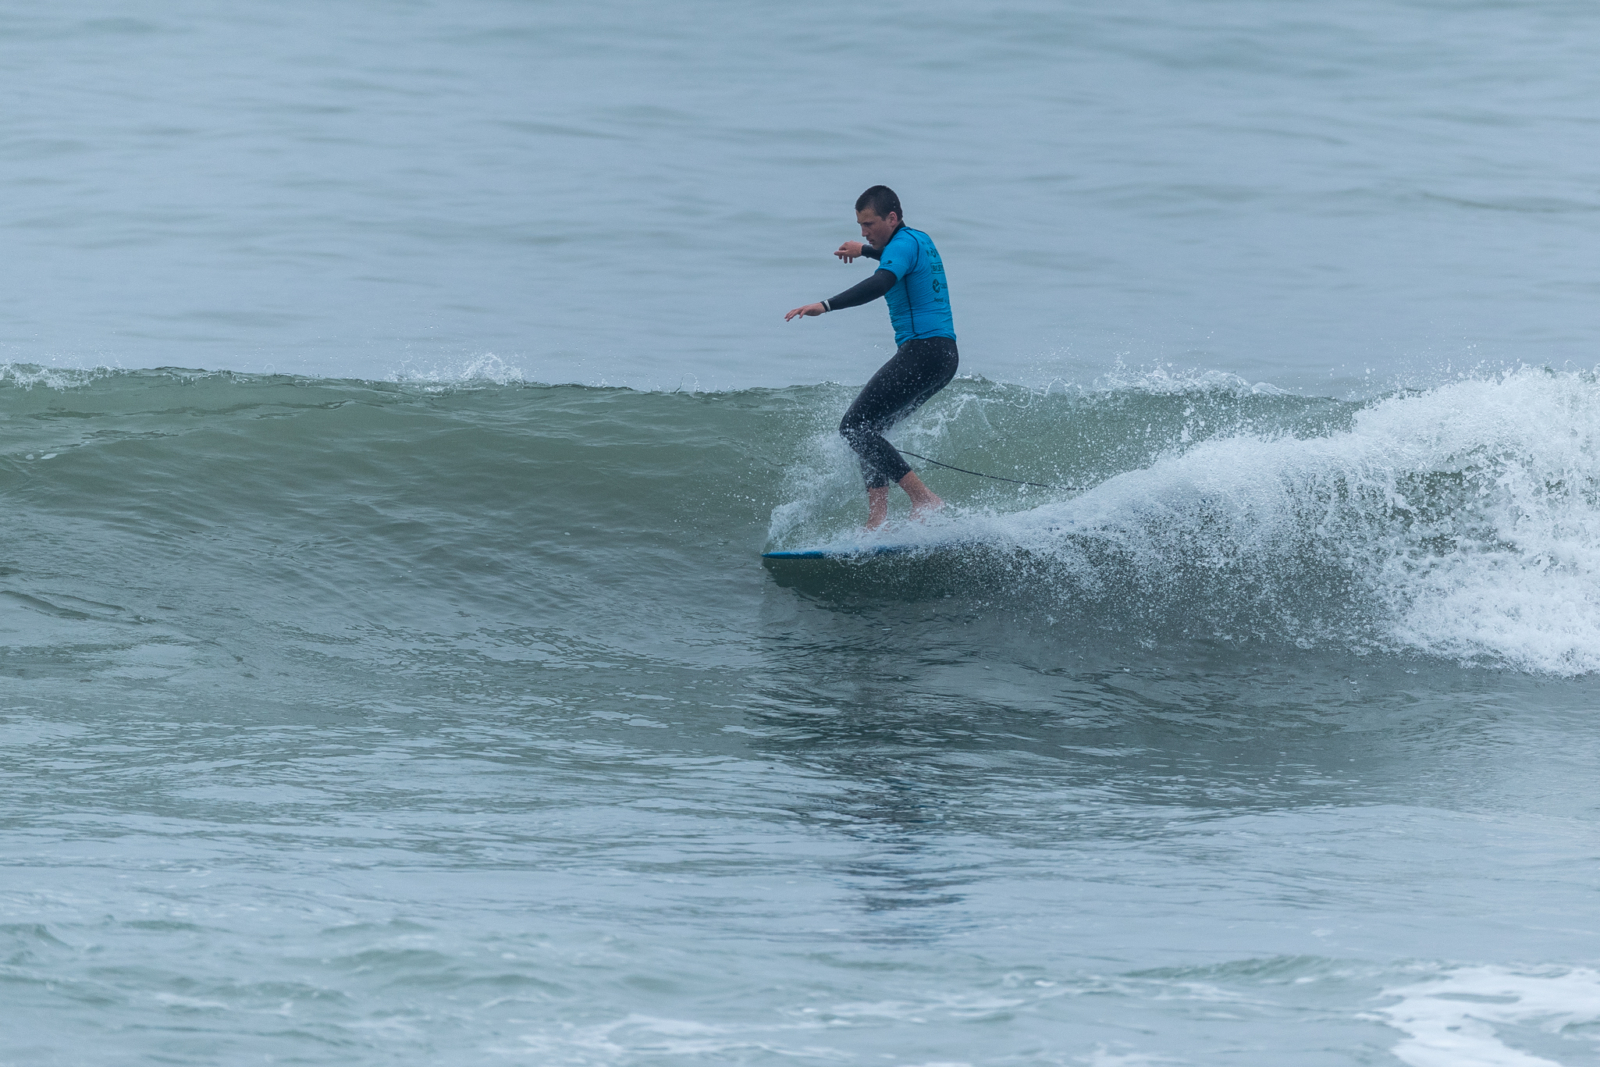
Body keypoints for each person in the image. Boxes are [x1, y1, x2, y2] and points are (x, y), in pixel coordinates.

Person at [785, 186, 959, 529]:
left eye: (869, 224)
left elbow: (881, 283)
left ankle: (924, 499)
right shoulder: (918, 239)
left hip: (923, 351)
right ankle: (877, 519)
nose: (864, 232)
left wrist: (825, 305)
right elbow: (893, 256)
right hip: (943, 357)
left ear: (891, 218)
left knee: (853, 427)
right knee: (870, 428)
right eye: (860, 226)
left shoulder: (901, 246)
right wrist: (864, 250)